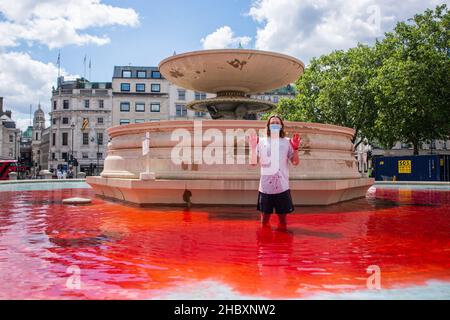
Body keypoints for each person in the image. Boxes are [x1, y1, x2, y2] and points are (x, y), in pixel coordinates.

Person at [250, 115, 301, 231]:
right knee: (264, 222)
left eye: (277, 123)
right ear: (268, 126)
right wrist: (253, 148)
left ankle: (282, 247)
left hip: (282, 188)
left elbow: (295, 162)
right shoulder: (261, 141)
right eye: (272, 122)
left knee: (283, 222)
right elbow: (253, 163)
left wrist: (296, 149)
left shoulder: (287, 142)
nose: (275, 124)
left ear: (281, 126)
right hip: (265, 188)